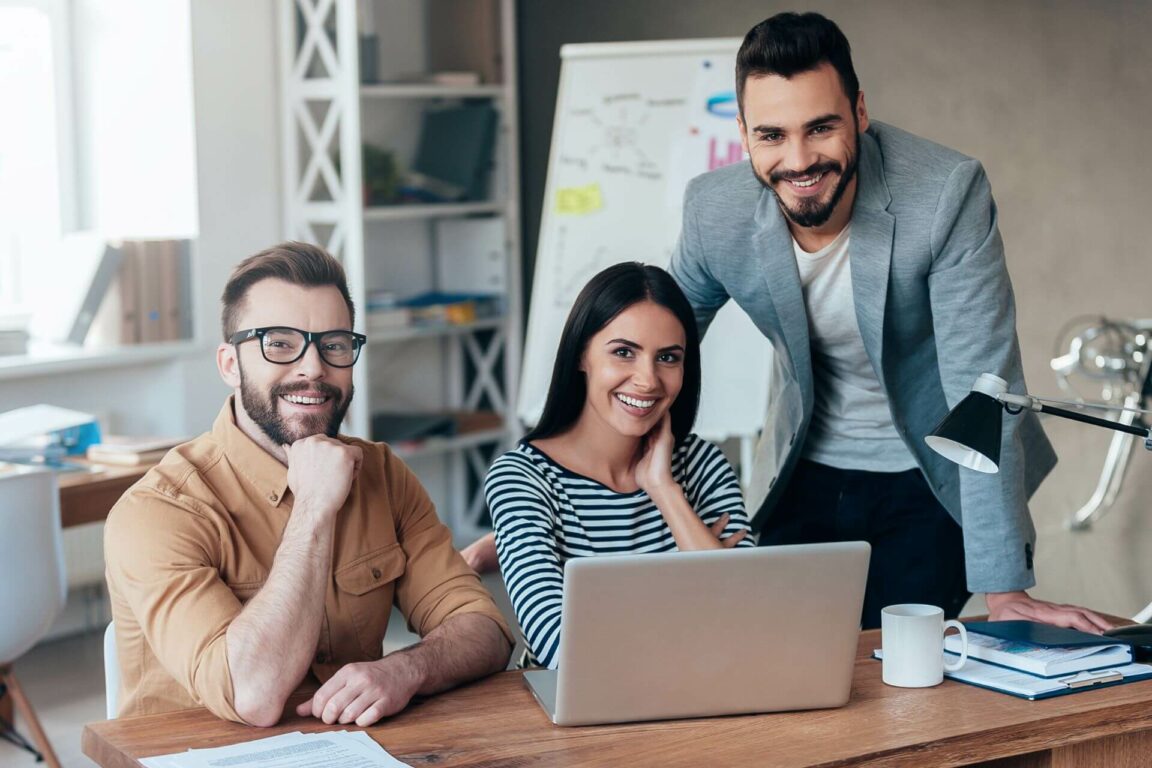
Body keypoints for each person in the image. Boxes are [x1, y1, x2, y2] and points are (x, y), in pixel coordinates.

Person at [667, 11, 1109, 631]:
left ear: (860, 112)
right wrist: (583, 479)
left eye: (820, 127)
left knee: (899, 680)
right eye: (772, 136)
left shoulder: (945, 194)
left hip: (933, 474)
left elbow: (983, 390)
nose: (798, 161)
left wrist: (1003, 587)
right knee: (785, 658)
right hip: (805, 465)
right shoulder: (713, 211)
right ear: (743, 134)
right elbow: (655, 349)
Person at [104, 242, 513, 726]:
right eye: (279, 343)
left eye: (334, 344)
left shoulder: (381, 473)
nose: (313, 368)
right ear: (229, 364)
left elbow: (485, 630)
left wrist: (407, 669)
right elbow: (251, 695)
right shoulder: (157, 511)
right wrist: (315, 506)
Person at [483, 262, 753, 668]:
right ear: (581, 355)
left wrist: (664, 490)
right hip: (582, 718)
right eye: (624, 352)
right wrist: (693, 604)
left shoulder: (701, 463)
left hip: (702, 701)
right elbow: (563, 647)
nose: (647, 380)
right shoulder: (522, 479)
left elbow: (746, 626)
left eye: (668, 358)